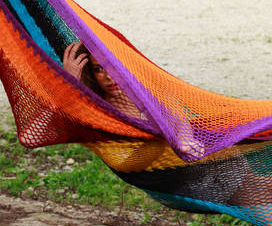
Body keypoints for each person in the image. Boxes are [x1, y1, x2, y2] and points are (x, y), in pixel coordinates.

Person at [63, 41, 205, 158]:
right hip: (140, 167)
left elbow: (179, 118)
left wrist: (185, 140)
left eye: (112, 66)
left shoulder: (148, 91)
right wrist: (70, 82)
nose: (108, 76)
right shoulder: (97, 106)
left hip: (173, 163)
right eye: (98, 69)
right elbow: (71, 124)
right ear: (91, 73)